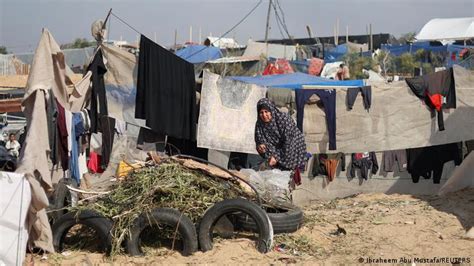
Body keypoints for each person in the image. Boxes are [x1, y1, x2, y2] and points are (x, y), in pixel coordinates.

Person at [254, 98, 307, 172]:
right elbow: (259, 140)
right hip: (277, 150)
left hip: (293, 147)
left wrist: (276, 157)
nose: (264, 115)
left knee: (287, 172)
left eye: (266, 112)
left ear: (271, 110)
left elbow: (289, 142)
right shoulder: (259, 124)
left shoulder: (284, 119)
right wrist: (260, 147)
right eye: (261, 113)